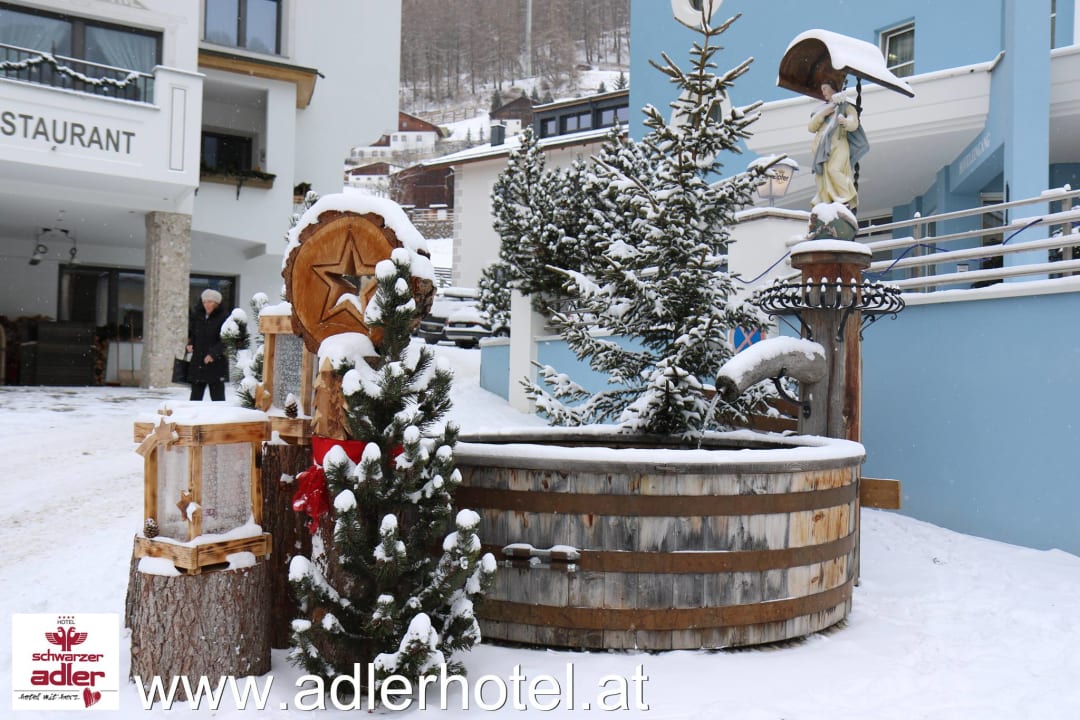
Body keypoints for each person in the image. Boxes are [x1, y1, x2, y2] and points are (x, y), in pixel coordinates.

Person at [809, 76, 868, 212]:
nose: (823, 92)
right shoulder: (821, 109)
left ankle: (845, 198)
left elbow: (854, 122)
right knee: (823, 176)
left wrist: (845, 122)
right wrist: (823, 113)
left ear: (832, 88)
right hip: (823, 148)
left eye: (825, 88)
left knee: (834, 170)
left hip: (839, 144)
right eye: (822, 89)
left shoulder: (844, 105)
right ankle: (827, 200)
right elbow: (811, 127)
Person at [186, 288, 228, 401]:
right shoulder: (198, 316)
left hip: (215, 364)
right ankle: (194, 418)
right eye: (204, 302)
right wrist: (190, 344)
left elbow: (225, 340)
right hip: (198, 362)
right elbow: (194, 334)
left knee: (218, 399)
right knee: (195, 399)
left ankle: (219, 418)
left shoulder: (224, 318)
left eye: (210, 302)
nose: (207, 305)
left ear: (217, 304)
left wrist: (213, 354)